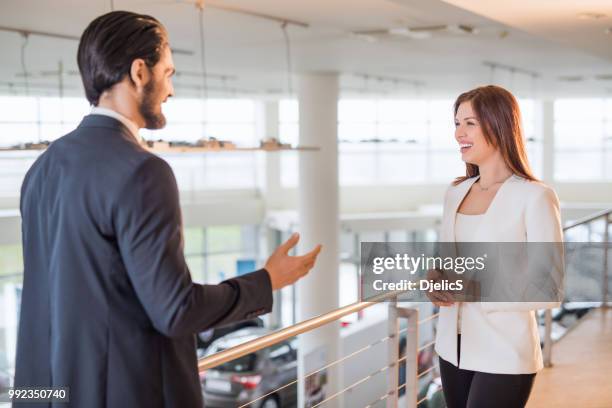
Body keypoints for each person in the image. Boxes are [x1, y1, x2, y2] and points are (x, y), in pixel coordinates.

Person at [14, 11, 321, 408]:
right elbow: (175, 311)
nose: (171, 90)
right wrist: (267, 281)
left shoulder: (42, 169)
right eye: (169, 72)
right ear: (140, 71)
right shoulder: (143, 171)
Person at [426, 85, 563, 408]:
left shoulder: (535, 196)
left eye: (470, 123)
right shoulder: (455, 192)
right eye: (457, 123)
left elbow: (549, 288)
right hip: (452, 348)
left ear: (499, 124)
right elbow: (446, 263)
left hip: (504, 353)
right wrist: (435, 279)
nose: (459, 133)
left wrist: (472, 287)